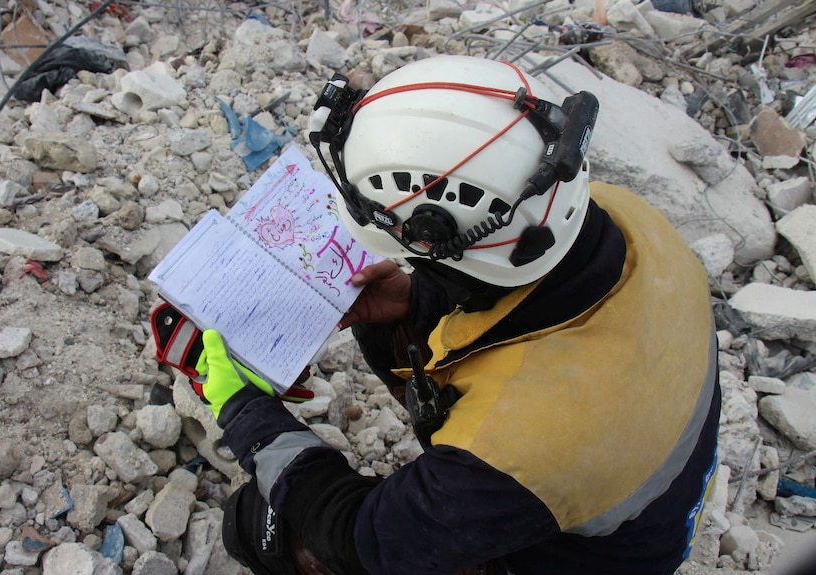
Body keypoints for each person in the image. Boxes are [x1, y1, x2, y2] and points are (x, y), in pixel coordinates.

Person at [192, 55, 721, 575]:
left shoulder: (524, 445)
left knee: (261, 524)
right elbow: (517, 300)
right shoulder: (627, 219)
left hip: (567, 554)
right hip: (639, 514)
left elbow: (362, 542)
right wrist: (413, 306)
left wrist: (248, 417)